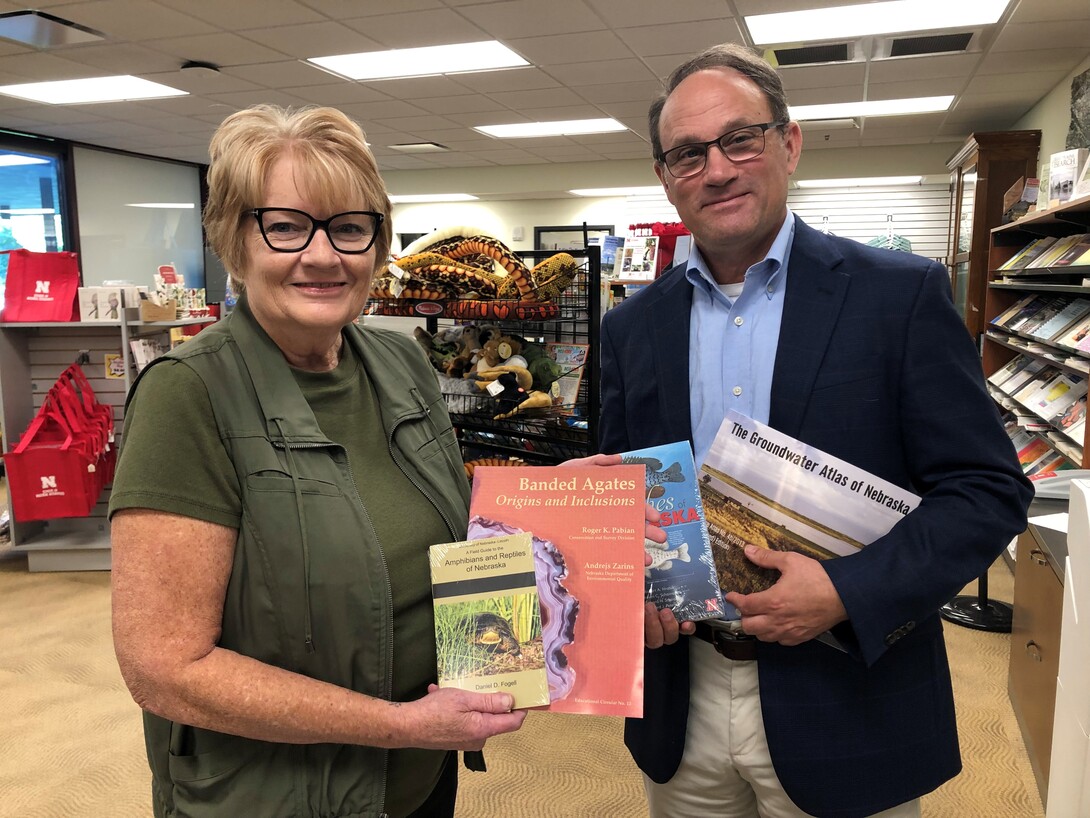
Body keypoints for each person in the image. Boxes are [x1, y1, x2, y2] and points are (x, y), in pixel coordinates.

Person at [599, 44, 1033, 818]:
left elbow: (987, 493)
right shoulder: (633, 326)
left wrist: (846, 590)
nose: (718, 170)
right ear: (665, 176)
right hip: (681, 701)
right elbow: (620, 488)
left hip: (847, 695)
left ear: (789, 143)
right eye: (688, 154)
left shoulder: (898, 297)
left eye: (741, 139)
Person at [108, 104, 528, 818]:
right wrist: (396, 726)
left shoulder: (400, 361)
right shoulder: (189, 395)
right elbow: (166, 670)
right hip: (275, 795)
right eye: (286, 226)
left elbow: (446, 521)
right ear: (234, 239)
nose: (324, 255)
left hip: (418, 777)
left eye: (349, 227)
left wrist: (560, 498)